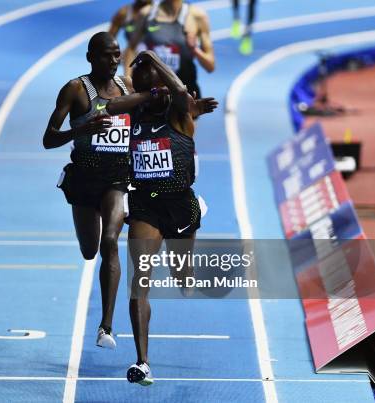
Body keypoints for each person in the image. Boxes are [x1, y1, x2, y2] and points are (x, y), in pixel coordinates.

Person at [105, 50, 217, 385]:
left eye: (160, 89)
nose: (159, 95)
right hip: (145, 206)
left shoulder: (181, 113)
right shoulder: (132, 115)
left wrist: (152, 57)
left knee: (182, 276)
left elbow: (181, 92)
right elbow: (109, 105)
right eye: (149, 91)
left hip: (180, 205)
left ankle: (186, 270)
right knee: (140, 280)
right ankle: (143, 362)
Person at [42, 32, 134, 349]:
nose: (113, 60)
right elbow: (48, 138)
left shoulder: (127, 87)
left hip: (116, 180)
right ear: (90, 57)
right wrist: (80, 129)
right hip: (83, 179)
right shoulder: (76, 89)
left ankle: (105, 327)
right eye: (107, 55)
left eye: (117, 54)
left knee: (111, 242)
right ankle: (105, 324)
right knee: (89, 250)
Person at [126, 0, 215, 98]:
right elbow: (130, 49)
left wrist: (195, 49)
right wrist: (128, 83)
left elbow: (210, 66)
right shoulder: (146, 14)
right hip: (154, 95)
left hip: (185, 93)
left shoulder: (197, 16)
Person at [108, 0, 153, 77]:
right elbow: (108, 41)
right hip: (131, 58)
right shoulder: (123, 13)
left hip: (157, 58)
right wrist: (115, 56)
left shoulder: (161, 13)